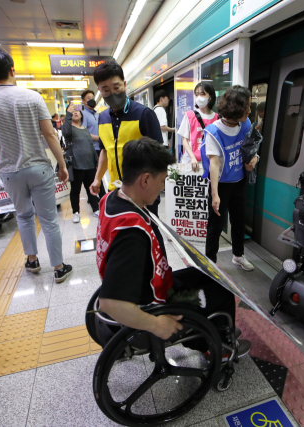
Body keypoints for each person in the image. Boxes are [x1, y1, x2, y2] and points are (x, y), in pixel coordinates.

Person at [97, 137, 250, 358]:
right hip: (152, 303)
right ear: (146, 180)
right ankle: (219, 346)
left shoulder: (112, 197)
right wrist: (155, 324)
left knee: (213, 275)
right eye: (162, 182)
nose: (162, 188)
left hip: (150, 282)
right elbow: (110, 303)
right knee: (221, 293)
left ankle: (220, 332)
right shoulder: (132, 234)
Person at [0, 47, 72, 283]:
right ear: (12, 69)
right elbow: (49, 134)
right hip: (38, 166)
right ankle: (58, 267)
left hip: (9, 170)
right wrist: (61, 164)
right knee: (48, 219)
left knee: (24, 216)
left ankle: (32, 260)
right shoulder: (32, 97)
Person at [89, 59, 164, 215]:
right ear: (100, 91)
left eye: (116, 87)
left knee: (149, 236)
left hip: (143, 192)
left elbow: (159, 156)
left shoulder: (144, 114)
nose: (112, 93)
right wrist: (97, 178)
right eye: (106, 90)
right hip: (115, 190)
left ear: (124, 84)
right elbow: (105, 151)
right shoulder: (102, 118)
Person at [201, 86, 259, 271]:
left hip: (239, 182)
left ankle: (238, 256)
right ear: (236, 109)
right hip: (221, 185)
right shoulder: (213, 132)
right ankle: (210, 262)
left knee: (238, 220)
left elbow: (251, 148)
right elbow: (214, 164)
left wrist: (254, 160)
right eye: (247, 106)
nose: (250, 110)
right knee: (215, 226)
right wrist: (215, 194)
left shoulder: (246, 124)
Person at [62, 104, 99, 223]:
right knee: (75, 190)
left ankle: (95, 208)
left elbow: (91, 147)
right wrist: (68, 113)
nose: (75, 112)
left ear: (82, 115)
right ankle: (76, 212)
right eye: (73, 112)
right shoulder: (69, 130)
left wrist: (96, 162)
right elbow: (65, 131)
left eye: (77, 111)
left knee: (91, 188)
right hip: (76, 165)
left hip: (90, 165)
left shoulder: (85, 129)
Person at [179, 82, 219, 171]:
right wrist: (193, 157)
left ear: (210, 97)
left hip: (209, 163)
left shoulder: (217, 118)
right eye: (196, 94)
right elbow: (184, 140)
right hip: (190, 161)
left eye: (202, 94)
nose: (199, 97)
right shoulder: (189, 115)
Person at [80, 89, 106, 199]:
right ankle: (101, 197)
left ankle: (99, 196)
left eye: (93, 97)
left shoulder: (96, 113)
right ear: (83, 101)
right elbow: (84, 132)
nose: (91, 100)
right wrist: (99, 138)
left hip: (100, 148)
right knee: (95, 175)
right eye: (88, 98)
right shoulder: (83, 114)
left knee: (99, 173)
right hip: (91, 150)